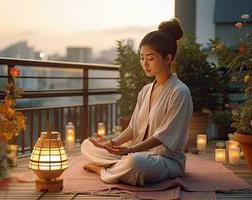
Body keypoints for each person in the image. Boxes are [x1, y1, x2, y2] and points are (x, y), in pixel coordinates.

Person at [81, 18, 193, 187]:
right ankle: (114, 167)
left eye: (150, 58)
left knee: (136, 164)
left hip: (165, 161)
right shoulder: (145, 90)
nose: (145, 64)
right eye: (142, 58)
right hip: (134, 153)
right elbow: (133, 128)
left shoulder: (180, 92)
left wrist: (130, 150)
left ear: (168, 58)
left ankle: (103, 170)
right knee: (87, 145)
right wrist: (111, 144)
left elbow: (162, 138)